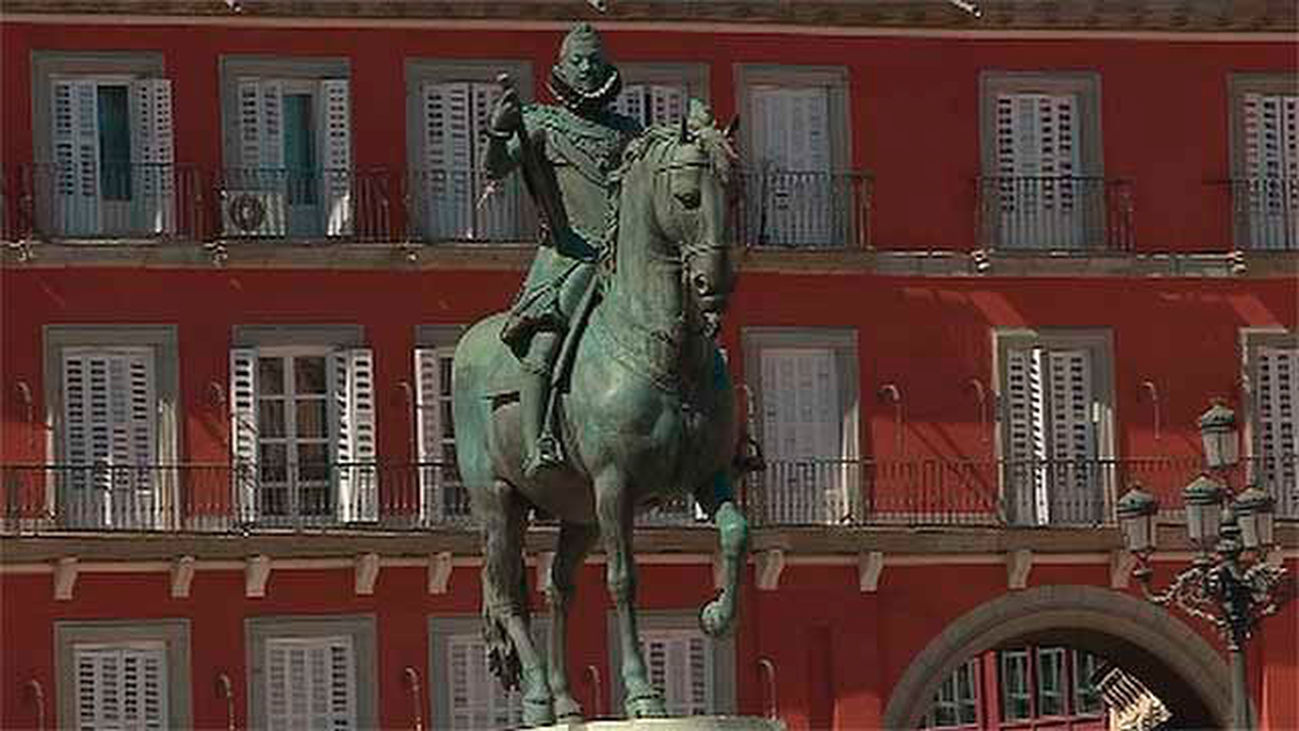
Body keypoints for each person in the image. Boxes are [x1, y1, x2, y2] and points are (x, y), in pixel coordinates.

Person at [485, 22, 641, 479]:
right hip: (570, 257)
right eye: (578, 62)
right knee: (546, 344)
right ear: (560, 68)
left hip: (625, 261)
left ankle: (726, 442)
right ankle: (537, 443)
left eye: (594, 61)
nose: (587, 69)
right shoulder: (540, 123)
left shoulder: (629, 132)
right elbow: (497, 168)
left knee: (692, 328)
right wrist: (498, 133)